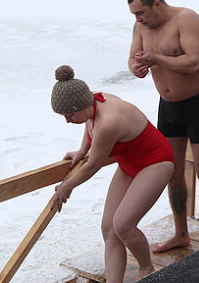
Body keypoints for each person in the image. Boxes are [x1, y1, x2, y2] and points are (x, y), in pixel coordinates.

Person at [50, 65, 174, 283]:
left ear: (81, 105)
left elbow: (93, 165)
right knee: (109, 228)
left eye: (69, 115)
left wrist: (67, 187)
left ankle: (147, 268)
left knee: (123, 224)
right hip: (129, 164)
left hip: (156, 162)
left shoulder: (108, 122)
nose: (68, 121)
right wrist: (82, 150)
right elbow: (89, 124)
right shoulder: (93, 102)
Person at [127, 0, 199, 251]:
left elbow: (194, 63)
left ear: (157, 3)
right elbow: (133, 58)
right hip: (168, 107)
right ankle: (181, 232)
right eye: (135, 15)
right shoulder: (141, 28)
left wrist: (155, 59)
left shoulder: (187, 19)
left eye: (141, 12)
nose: (139, 19)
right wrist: (136, 67)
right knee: (173, 174)